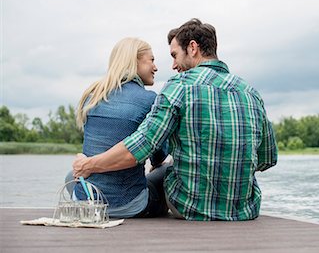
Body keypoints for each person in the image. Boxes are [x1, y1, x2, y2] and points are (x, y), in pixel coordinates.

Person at [73, 19, 278, 220]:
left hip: (189, 208)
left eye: (174, 55)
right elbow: (268, 158)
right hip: (243, 210)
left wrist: (89, 165)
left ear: (192, 48)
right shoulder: (251, 92)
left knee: (168, 167)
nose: (172, 65)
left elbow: (141, 146)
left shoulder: (179, 86)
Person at [67, 37, 169, 218]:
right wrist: (156, 164)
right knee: (167, 170)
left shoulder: (93, 96)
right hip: (129, 206)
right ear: (135, 61)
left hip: (85, 201)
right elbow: (158, 154)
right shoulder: (149, 100)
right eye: (151, 60)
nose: (156, 67)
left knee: (71, 174)